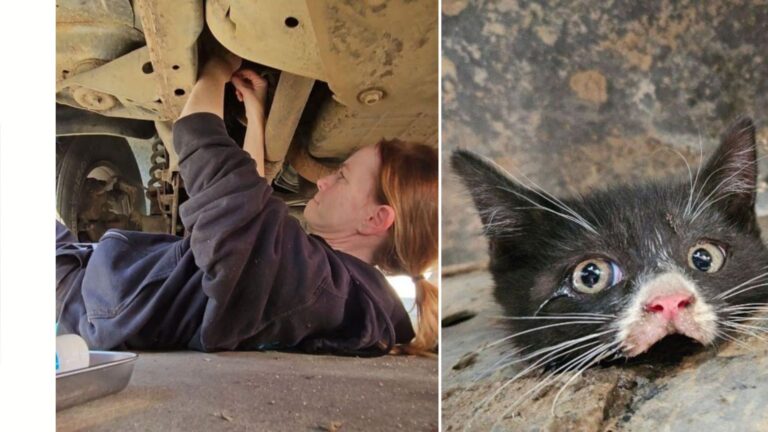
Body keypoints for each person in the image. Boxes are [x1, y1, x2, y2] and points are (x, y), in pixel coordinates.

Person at [56, 52, 438, 356]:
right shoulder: (339, 289)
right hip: (110, 286)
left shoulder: (316, 284)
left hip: (88, 296)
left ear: (376, 218)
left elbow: (204, 144)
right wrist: (256, 115)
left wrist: (216, 65)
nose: (322, 180)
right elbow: (255, 215)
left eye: (342, 176)